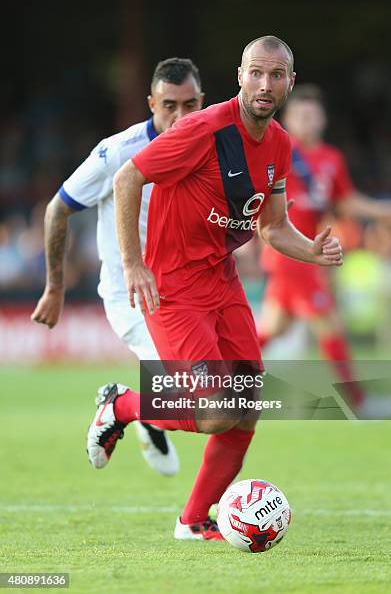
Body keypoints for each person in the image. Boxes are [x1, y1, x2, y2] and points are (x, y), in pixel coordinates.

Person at [89, 35, 343, 542]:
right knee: (215, 412)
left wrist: (311, 251)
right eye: (256, 73)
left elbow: (272, 228)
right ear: (240, 75)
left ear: (289, 82)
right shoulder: (204, 128)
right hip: (175, 287)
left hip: (222, 283)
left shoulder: (280, 144)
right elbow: (127, 179)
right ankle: (120, 407)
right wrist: (133, 264)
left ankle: (194, 521)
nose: (265, 84)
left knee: (247, 409)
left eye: (276, 75)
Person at [31, 57, 205, 475]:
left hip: (187, 291)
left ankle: (144, 412)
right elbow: (58, 208)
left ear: (203, 101)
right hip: (132, 294)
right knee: (202, 403)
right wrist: (55, 287)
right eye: (169, 105)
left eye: (190, 104)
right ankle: (123, 406)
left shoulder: (210, 144)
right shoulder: (118, 152)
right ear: (150, 103)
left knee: (223, 395)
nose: (180, 117)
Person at [256, 83, 391, 417]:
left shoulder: (331, 158)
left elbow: (344, 201)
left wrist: (382, 211)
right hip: (289, 253)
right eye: (300, 115)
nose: (307, 121)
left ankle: (218, 384)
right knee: (329, 324)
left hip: (307, 252)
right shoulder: (278, 151)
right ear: (287, 119)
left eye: (313, 115)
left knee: (275, 328)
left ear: (323, 119)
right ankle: (359, 403)